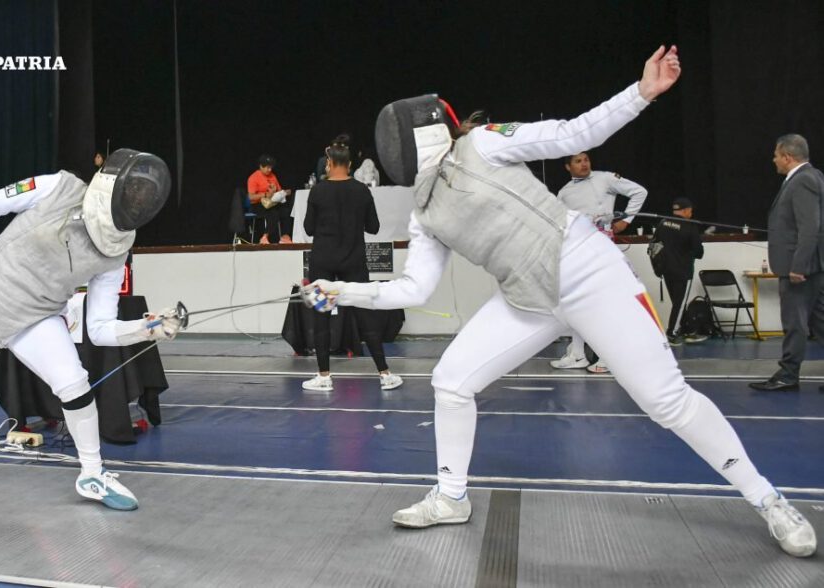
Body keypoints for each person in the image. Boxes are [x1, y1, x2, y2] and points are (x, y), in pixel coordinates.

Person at [303, 46, 816, 557]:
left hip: (590, 273)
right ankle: (451, 496)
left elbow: (573, 133)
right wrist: (342, 290)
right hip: (528, 302)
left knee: (667, 402)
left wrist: (641, 93)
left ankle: (768, 499)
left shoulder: (483, 143)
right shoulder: (424, 211)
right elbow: (413, 289)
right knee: (451, 381)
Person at [0, 149, 184, 511]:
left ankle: (92, 473)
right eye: (134, 192)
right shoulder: (58, 186)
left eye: (143, 198)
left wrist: (147, 328)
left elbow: (101, 328)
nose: (137, 201)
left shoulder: (118, 249)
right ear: (113, 184)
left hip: (36, 319)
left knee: (74, 382)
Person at [301, 140, 402, 392]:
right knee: (365, 314)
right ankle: (385, 373)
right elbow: (374, 227)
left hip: (323, 260)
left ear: (329, 163)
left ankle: (324, 376)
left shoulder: (318, 191)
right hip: (354, 259)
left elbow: (308, 228)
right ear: (350, 165)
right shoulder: (361, 190)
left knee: (321, 316)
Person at [551, 151, 649, 373]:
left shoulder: (604, 178)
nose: (584, 164)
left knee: (605, 302)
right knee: (577, 301)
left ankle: (608, 356)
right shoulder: (564, 193)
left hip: (602, 246)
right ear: (568, 167)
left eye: (586, 159)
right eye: (578, 161)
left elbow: (639, 192)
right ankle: (577, 354)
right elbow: (558, 222)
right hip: (577, 250)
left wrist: (626, 220)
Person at [750, 134, 824, 391]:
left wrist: (798, 266)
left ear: (787, 157)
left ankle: (788, 375)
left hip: (801, 268)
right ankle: (789, 373)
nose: (773, 160)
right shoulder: (813, 177)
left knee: (795, 322)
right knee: (819, 321)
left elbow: (809, 227)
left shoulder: (803, 180)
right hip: (813, 266)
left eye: (776, 155)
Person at [653, 197, 705, 345]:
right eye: (691, 211)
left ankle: (687, 330)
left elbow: (655, 244)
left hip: (665, 269)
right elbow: (699, 252)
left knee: (677, 302)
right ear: (686, 210)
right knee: (680, 303)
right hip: (683, 270)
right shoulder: (690, 226)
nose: (691, 213)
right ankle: (672, 333)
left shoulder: (663, 223)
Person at [247, 154, 293, 244]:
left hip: (272, 202)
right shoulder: (253, 178)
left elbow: (279, 190)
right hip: (258, 204)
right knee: (273, 213)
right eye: (267, 168)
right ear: (261, 166)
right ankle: (265, 236)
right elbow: (251, 197)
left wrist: (284, 192)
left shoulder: (272, 176)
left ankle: (285, 236)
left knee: (286, 211)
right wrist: (265, 194)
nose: (270, 170)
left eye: (271, 167)